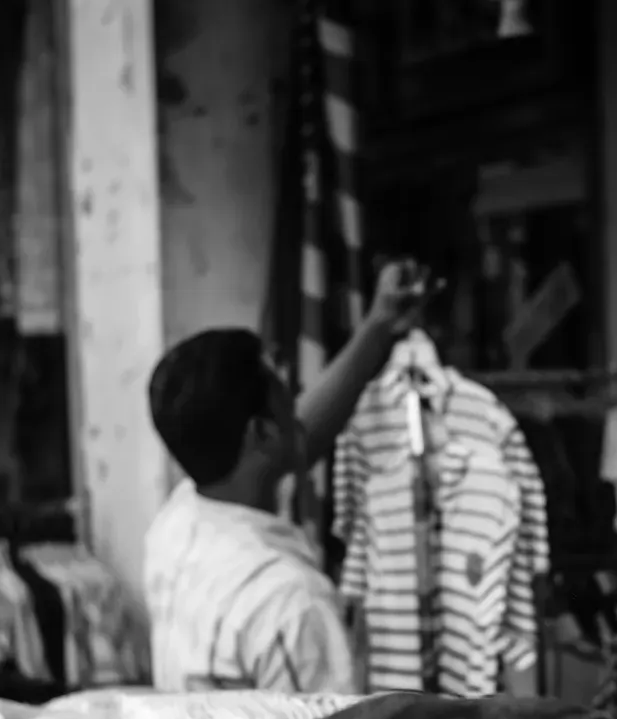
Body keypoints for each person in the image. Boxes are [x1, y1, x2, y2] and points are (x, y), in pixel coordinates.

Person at [143, 261, 434, 693]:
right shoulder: (290, 603)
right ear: (260, 432)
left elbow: (297, 435)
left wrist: (378, 327)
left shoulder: (178, 523)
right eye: (281, 391)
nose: (294, 398)